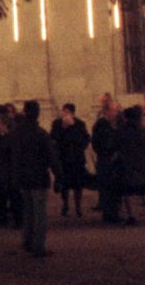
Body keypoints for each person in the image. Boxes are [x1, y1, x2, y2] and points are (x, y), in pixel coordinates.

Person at [10, 99, 61, 256]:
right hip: (38, 177)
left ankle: (27, 241)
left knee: (28, 211)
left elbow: (14, 156)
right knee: (39, 213)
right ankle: (38, 246)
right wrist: (59, 174)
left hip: (23, 177)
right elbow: (51, 156)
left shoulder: (17, 133)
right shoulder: (40, 133)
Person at [49, 102, 90, 219]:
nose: (65, 114)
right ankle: (65, 205)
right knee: (64, 184)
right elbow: (53, 137)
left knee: (78, 184)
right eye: (64, 111)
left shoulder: (79, 124)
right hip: (64, 159)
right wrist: (63, 128)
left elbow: (85, 139)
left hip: (77, 159)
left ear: (72, 113)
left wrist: (72, 128)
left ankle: (78, 206)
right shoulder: (57, 124)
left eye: (67, 112)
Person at [115, 104, 145, 224]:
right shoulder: (141, 131)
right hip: (141, 164)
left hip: (127, 164)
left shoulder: (121, 130)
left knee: (128, 191)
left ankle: (131, 216)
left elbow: (116, 145)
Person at [91, 93, 124, 225]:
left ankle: (113, 212)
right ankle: (110, 214)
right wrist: (109, 152)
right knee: (107, 188)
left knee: (113, 188)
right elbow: (98, 143)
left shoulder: (112, 124)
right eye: (114, 111)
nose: (116, 114)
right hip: (106, 160)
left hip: (111, 160)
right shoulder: (101, 125)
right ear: (107, 111)